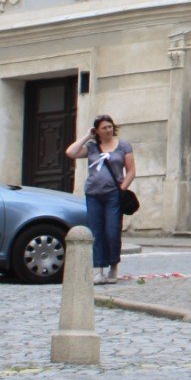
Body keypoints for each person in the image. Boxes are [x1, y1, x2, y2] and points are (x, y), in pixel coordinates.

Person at [65, 114, 134, 285]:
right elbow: (70, 152)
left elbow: (131, 171)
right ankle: (99, 270)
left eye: (110, 126)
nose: (108, 130)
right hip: (93, 195)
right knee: (96, 232)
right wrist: (87, 136)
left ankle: (113, 267)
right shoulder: (92, 147)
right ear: (98, 130)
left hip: (113, 195)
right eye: (104, 128)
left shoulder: (123, 146)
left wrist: (122, 188)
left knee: (112, 231)